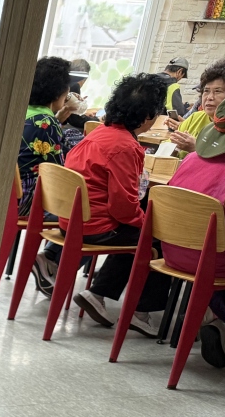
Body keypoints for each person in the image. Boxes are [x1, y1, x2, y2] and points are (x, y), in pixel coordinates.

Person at [57, 73, 172, 335]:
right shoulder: (126, 146)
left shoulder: (99, 133)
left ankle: (98, 293)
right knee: (162, 239)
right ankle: (141, 313)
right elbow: (123, 209)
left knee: (138, 232)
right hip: (94, 227)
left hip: (71, 220)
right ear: (149, 116)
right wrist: (149, 225)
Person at [164, 89, 225, 367]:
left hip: (173, 253)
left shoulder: (190, 159)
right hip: (215, 262)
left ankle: (216, 317)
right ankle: (217, 312)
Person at [18, 57, 83, 293]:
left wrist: (61, 115)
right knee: (88, 215)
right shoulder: (46, 122)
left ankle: (48, 260)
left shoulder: (22, 111)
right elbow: (59, 173)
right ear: (59, 92)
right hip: (28, 202)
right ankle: (53, 263)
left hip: (9, 192)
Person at [166, 59, 225, 154]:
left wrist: (196, 148)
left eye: (217, 91)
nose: (209, 97)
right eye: (206, 91)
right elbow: (168, 146)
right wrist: (174, 148)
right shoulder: (195, 118)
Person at [64, 58, 96, 133]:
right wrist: (96, 120)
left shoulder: (67, 82)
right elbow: (75, 120)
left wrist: (81, 112)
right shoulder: (75, 85)